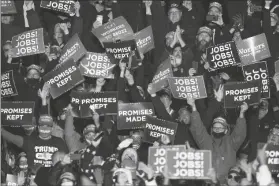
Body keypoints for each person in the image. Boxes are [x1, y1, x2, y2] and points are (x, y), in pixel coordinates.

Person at [187, 97, 248, 184]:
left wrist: (242, 113)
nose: (217, 129)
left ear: (226, 129)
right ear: (212, 129)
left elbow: (240, 133)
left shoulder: (231, 143)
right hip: (209, 182)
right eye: (215, 127)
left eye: (220, 127)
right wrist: (193, 107)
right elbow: (197, 129)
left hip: (228, 182)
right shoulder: (206, 141)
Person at [1, 114, 68, 186]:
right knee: (12, 180)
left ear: (52, 128)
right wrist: (1, 130)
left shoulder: (59, 141)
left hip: (53, 179)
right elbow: (13, 138)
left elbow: (69, 157)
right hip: (33, 180)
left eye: (47, 126)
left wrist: (79, 156)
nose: (45, 129)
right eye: (42, 126)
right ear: (38, 127)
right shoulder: (30, 141)